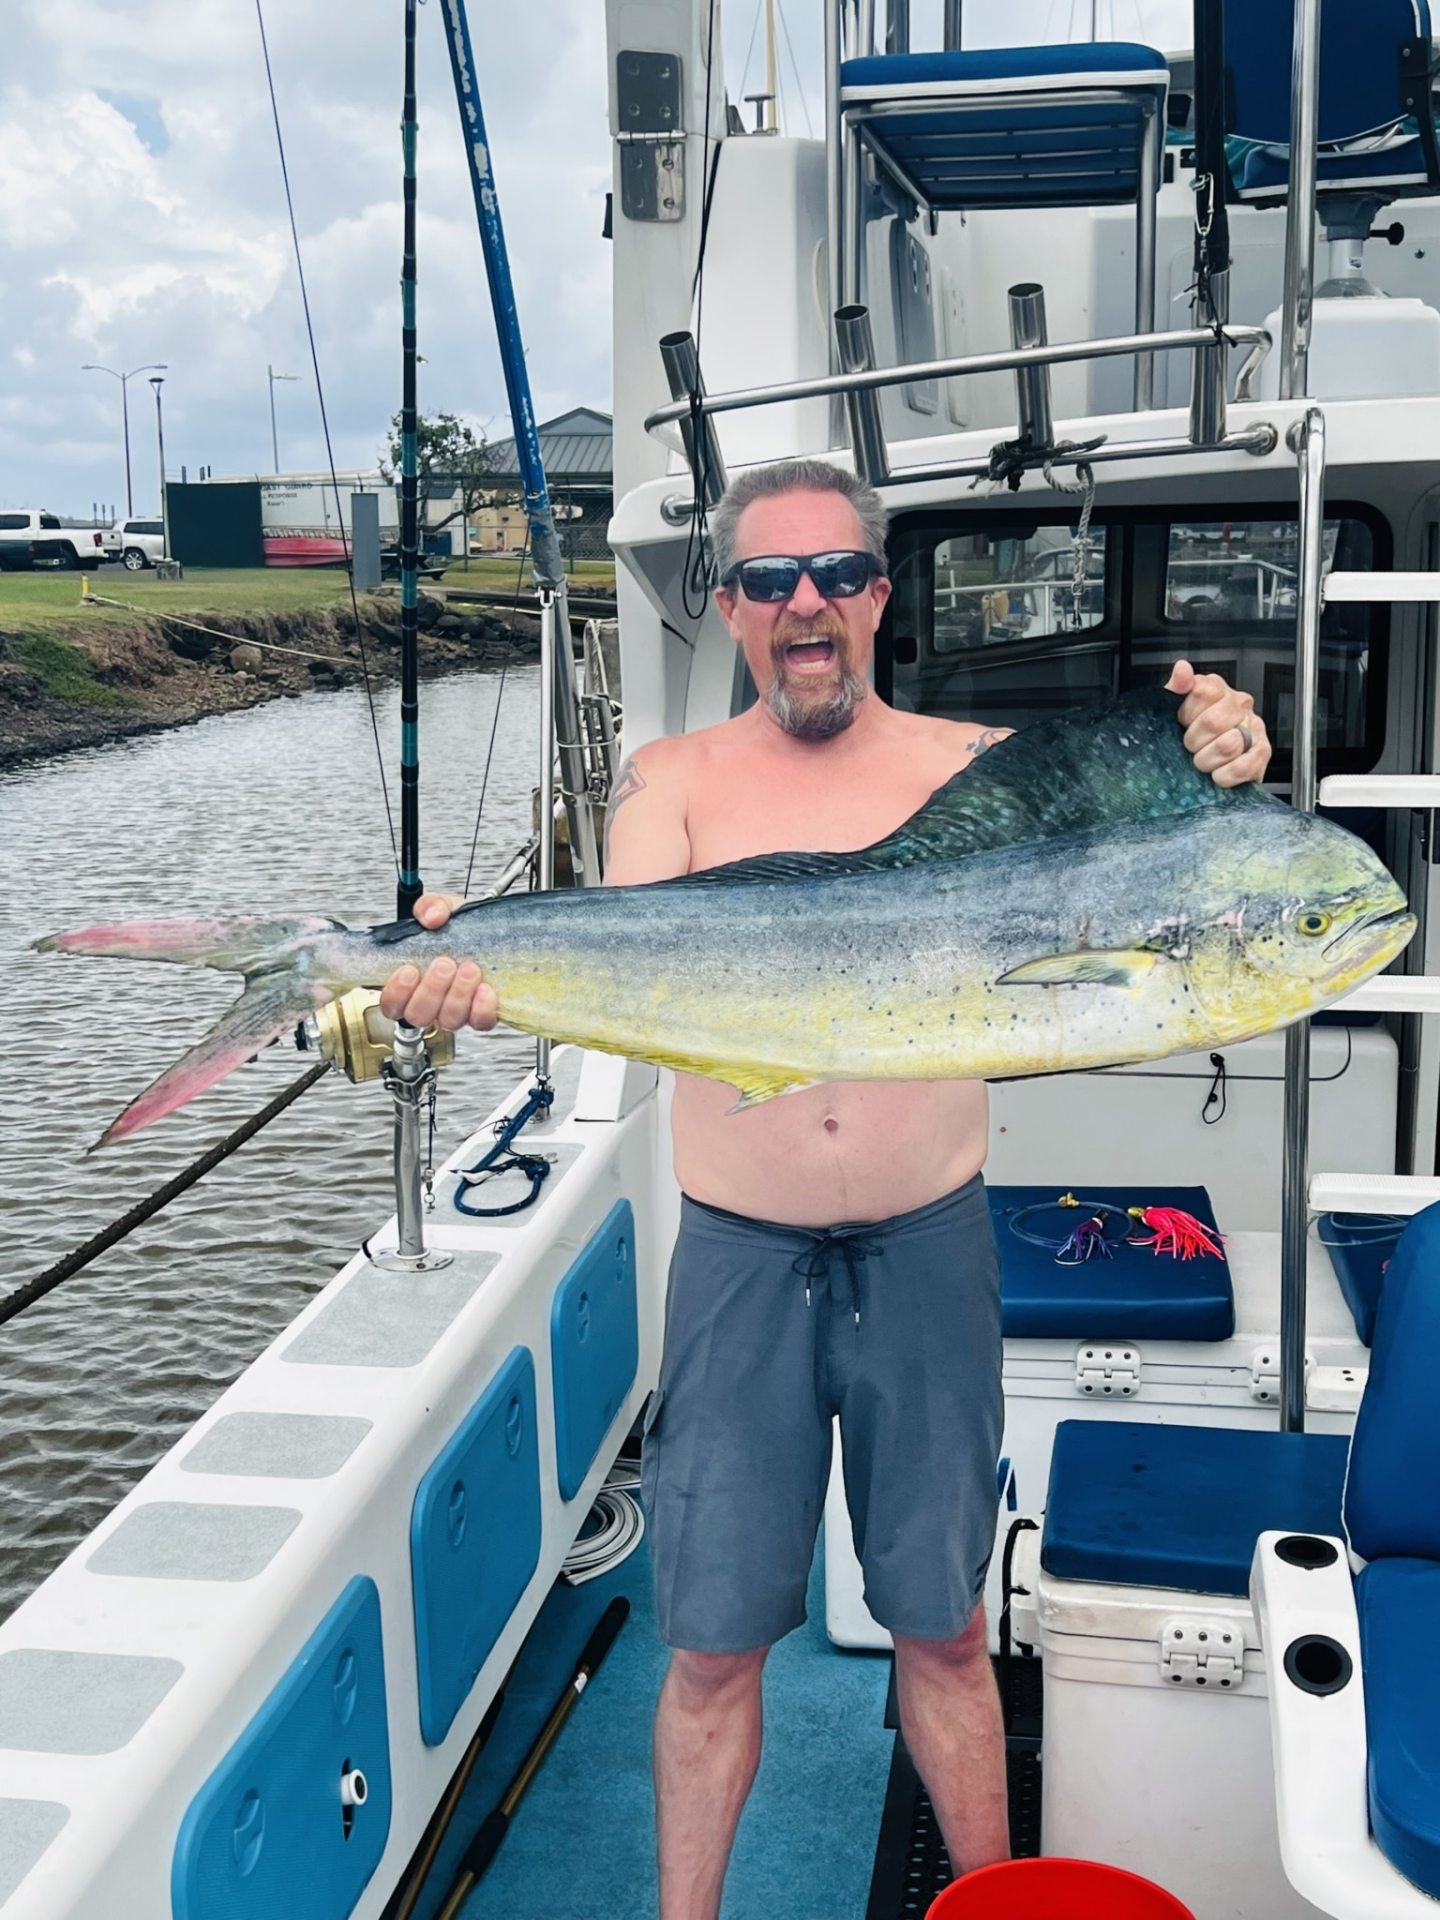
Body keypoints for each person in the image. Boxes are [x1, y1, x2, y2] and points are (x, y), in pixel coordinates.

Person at [379, 458, 1272, 1920]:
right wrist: (470, 969)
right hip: (742, 1259)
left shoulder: (979, 769)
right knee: (715, 1645)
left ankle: (990, 1902)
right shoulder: (671, 785)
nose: (807, 605)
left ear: (878, 594)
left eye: (837, 575)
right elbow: (619, 955)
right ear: (729, 604)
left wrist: (1225, 746)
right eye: (770, 579)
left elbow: (1176, 856)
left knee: (945, 1626)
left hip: (930, 1247)